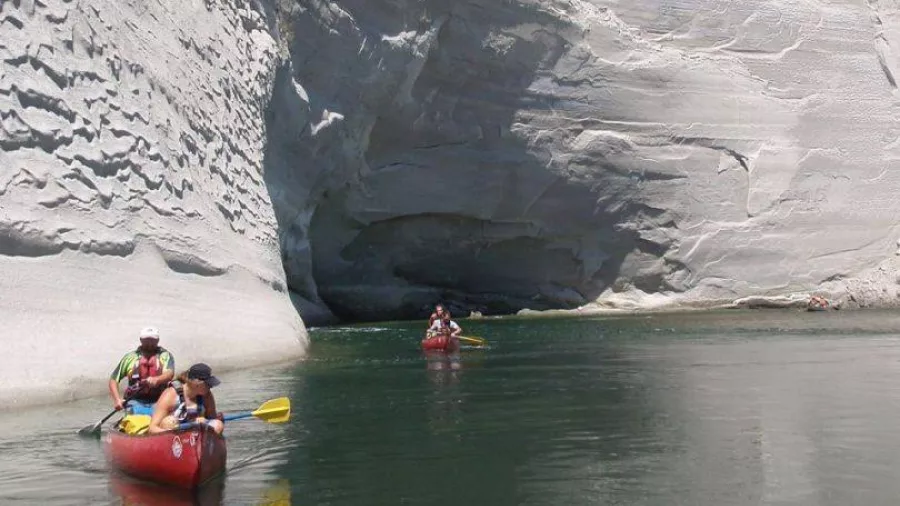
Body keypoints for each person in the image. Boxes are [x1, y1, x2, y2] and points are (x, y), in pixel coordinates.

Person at [108, 326, 175, 415]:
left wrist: (157, 379)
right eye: (146, 340)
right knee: (136, 420)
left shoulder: (165, 356)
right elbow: (113, 380)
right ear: (141, 340)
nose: (149, 343)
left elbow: (169, 373)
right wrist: (117, 400)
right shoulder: (130, 357)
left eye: (152, 340)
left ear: (158, 340)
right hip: (135, 400)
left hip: (160, 399)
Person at [148, 363, 224, 435]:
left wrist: (205, 420)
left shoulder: (207, 395)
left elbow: (213, 418)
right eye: (208, 384)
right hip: (173, 434)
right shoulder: (170, 395)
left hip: (197, 433)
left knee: (218, 425)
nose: (211, 387)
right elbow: (152, 428)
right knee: (169, 422)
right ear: (197, 383)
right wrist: (171, 433)